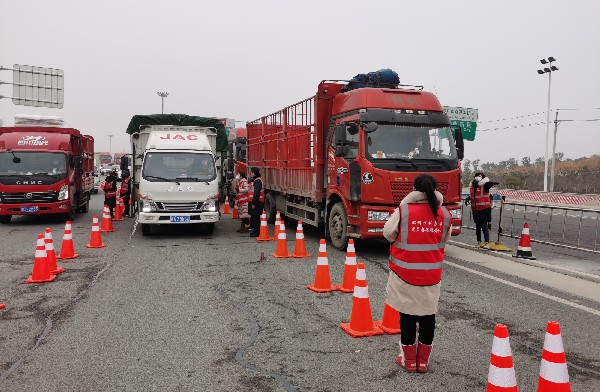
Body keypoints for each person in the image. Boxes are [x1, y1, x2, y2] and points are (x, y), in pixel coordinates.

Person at [383, 174, 451, 373]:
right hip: (431, 275)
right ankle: (423, 362)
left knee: (407, 316)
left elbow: (388, 233)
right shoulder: (444, 214)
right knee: (428, 316)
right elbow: (444, 238)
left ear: (414, 189)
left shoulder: (404, 211)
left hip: (405, 274)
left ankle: (409, 361)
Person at [465, 172, 498, 249]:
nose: (477, 177)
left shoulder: (484, 185)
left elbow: (488, 185)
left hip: (484, 209)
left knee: (484, 225)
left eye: (479, 176)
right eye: (476, 176)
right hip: (476, 209)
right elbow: (473, 195)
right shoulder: (473, 186)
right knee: (478, 226)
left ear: (482, 178)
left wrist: (491, 183)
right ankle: (478, 242)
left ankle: (486, 242)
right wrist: (468, 198)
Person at [248, 167, 265, 237]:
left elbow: (256, 193)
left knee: (256, 218)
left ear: (254, 173)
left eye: (251, 172)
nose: (250, 174)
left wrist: (253, 203)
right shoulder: (256, 180)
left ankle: (256, 232)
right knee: (255, 217)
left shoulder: (257, 181)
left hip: (257, 202)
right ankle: (255, 230)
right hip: (257, 202)